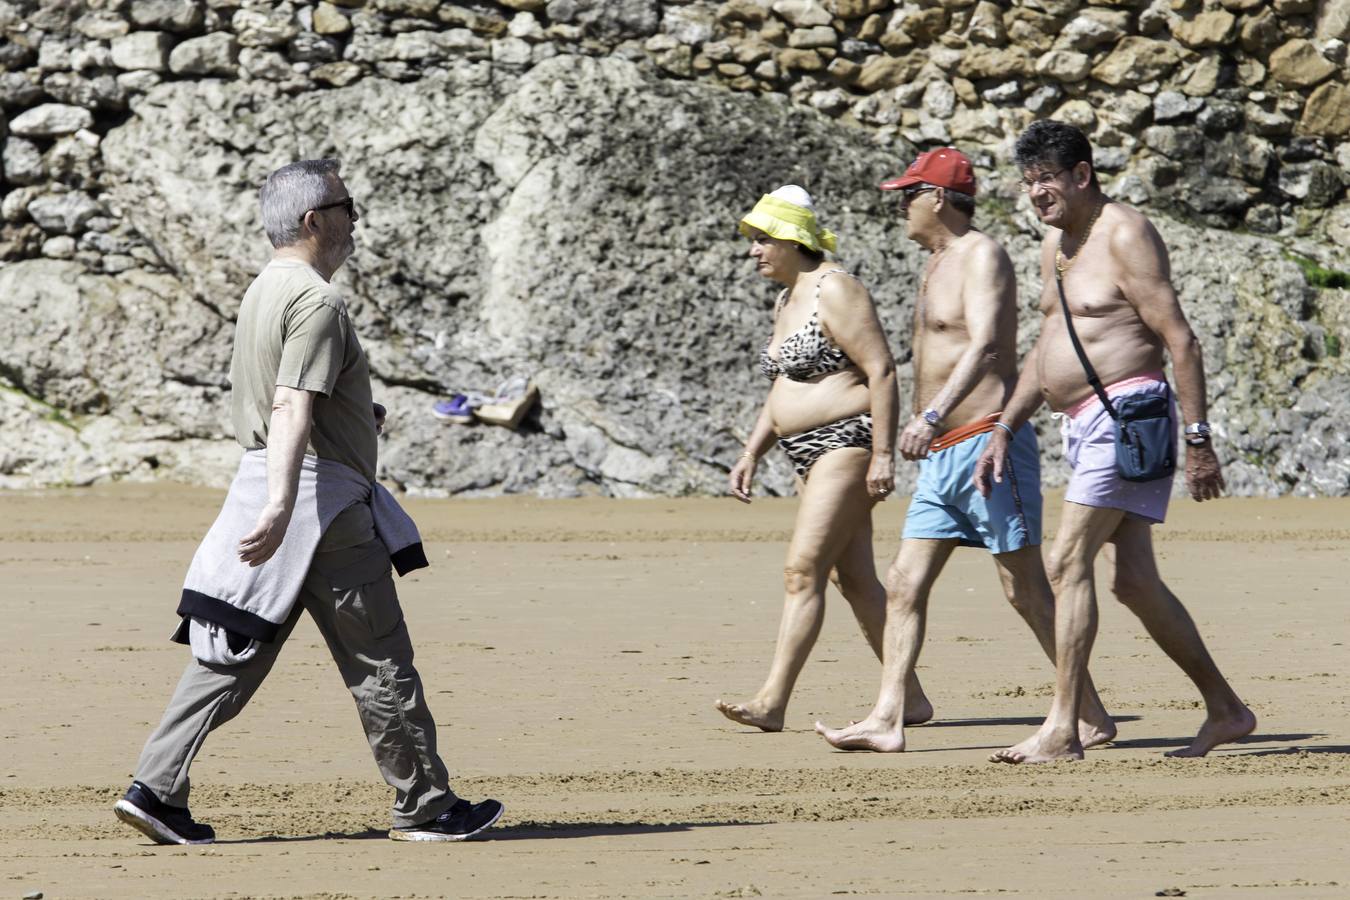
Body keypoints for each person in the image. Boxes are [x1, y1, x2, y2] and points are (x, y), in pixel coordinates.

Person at [113, 159, 503, 844]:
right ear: (314, 219)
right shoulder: (319, 301)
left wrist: (354, 417)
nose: (356, 220)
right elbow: (291, 404)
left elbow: (294, 401)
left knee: (234, 650)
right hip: (319, 511)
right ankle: (427, 806)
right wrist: (285, 504)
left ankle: (156, 786)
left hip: (270, 492)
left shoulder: (264, 290)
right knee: (379, 659)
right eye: (347, 207)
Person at [814, 149, 1114, 753]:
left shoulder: (981, 255)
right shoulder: (937, 262)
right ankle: (887, 717)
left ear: (939, 198)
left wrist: (928, 414)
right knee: (903, 581)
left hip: (986, 446)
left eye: (908, 193)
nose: (901, 205)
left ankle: (1089, 714)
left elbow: (982, 346)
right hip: (942, 455)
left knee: (1024, 588)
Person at [975, 121, 1256, 763]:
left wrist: (1199, 439)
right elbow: (1050, 347)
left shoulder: (1125, 234)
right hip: (1081, 423)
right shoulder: (1057, 247)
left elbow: (1179, 338)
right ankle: (1227, 710)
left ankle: (1064, 728)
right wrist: (1003, 426)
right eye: (1027, 182)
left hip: (1130, 415)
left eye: (1047, 178)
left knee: (1064, 560)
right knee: (1133, 582)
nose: (1037, 193)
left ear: (1082, 175)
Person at [715, 185, 932, 732]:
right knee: (852, 577)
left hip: (846, 442)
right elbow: (786, 385)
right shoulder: (785, 298)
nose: (754, 250)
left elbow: (881, 370)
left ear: (793, 239)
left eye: (763, 240)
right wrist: (752, 452)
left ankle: (772, 701)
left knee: (802, 569)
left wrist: (884, 455)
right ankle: (909, 697)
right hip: (805, 455)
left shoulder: (836, 289)